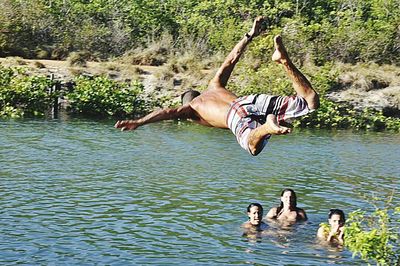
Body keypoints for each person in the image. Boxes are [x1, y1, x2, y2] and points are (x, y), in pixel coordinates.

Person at [115, 16, 319, 156]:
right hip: (248, 101)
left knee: (252, 147)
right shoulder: (214, 85)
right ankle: (284, 61)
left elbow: (168, 111)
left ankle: (267, 127)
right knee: (310, 101)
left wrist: (139, 122)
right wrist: (250, 34)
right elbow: (231, 59)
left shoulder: (191, 110)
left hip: (235, 115)